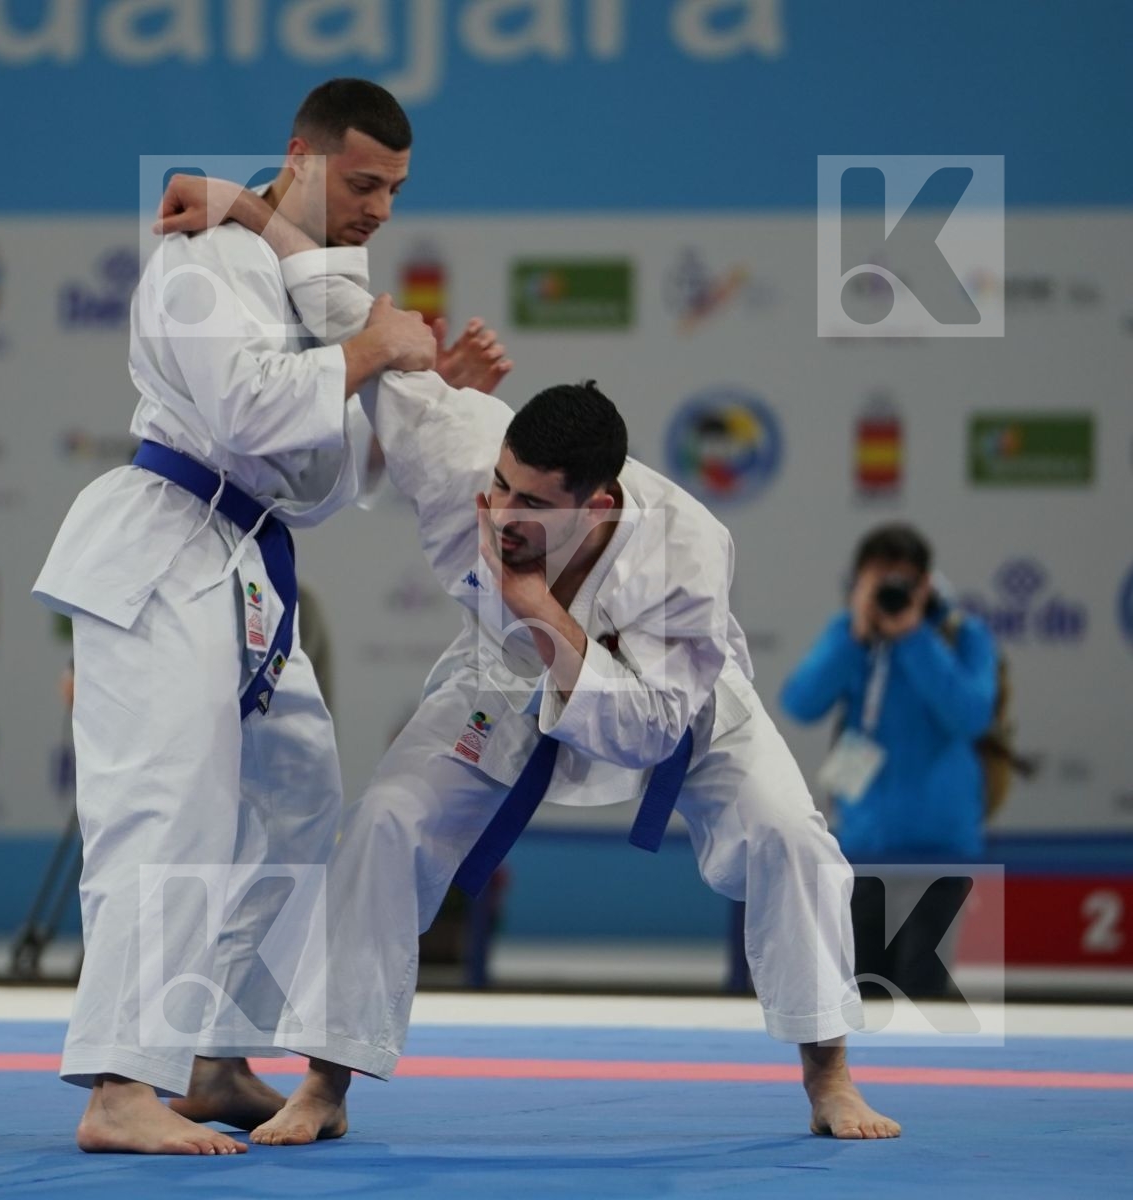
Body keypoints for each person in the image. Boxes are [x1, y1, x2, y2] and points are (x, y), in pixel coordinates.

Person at [161, 185, 900, 1145]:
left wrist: (541, 610)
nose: (502, 511)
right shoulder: (460, 451)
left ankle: (830, 1077)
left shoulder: (690, 553)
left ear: (597, 508)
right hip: (501, 682)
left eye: (532, 503)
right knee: (386, 822)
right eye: (502, 484)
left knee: (793, 841)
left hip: (678, 709)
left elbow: (644, 728)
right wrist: (247, 210)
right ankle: (325, 1084)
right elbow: (347, 307)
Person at [32, 79, 508, 1156]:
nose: (380, 207)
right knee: (168, 807)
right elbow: (248, 404)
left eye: (395, 189)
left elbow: (314, 469)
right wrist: (378, 352)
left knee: (297, 794)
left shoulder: (311, 280)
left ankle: (212, 1054)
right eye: (362, 181)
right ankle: (117, 1085)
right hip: (165, 545)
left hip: (244, 562)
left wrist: (440, 393)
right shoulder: (201, 258)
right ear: (301, 154)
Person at [779, 523, 998, 997]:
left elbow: (973, 715)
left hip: (940, 846)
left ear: (925, 585)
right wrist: (854, 635)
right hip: (864, 845)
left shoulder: (962, 636)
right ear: (858, 583)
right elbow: (800, 702)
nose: (891, 594)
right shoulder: (850, 635)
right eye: (879, 582)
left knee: (921, 997)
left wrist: (914, 638)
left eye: (901, 582)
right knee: (862, 993)